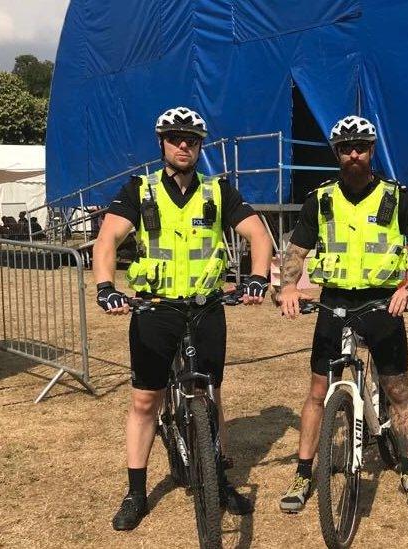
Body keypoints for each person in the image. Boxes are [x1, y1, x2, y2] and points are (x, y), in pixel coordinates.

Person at [92, 106, 274, 531]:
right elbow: (108, 239)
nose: (183, 145)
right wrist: (105, 286)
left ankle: (219, 478)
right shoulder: (139, 190)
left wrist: (257, 278)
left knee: (211, 395)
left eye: (191, 139)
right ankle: (135, 493)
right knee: (144, 401)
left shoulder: (218, 191)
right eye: (175, 138)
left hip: (206, 307)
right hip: (155, 309)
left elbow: (258, 235)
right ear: (162, 143)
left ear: (200, 145)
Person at [275, 115, 408, 512]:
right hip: (335, 304)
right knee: (317, 392)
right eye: (346, 148)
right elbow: (297, 251)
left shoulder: (397, 197)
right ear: (336, 153)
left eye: (360, 147)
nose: (353, 154)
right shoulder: (321, 198)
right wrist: (289, 287)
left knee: (398, 389)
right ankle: (302, 471)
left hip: (383, 304)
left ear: (371, 150)